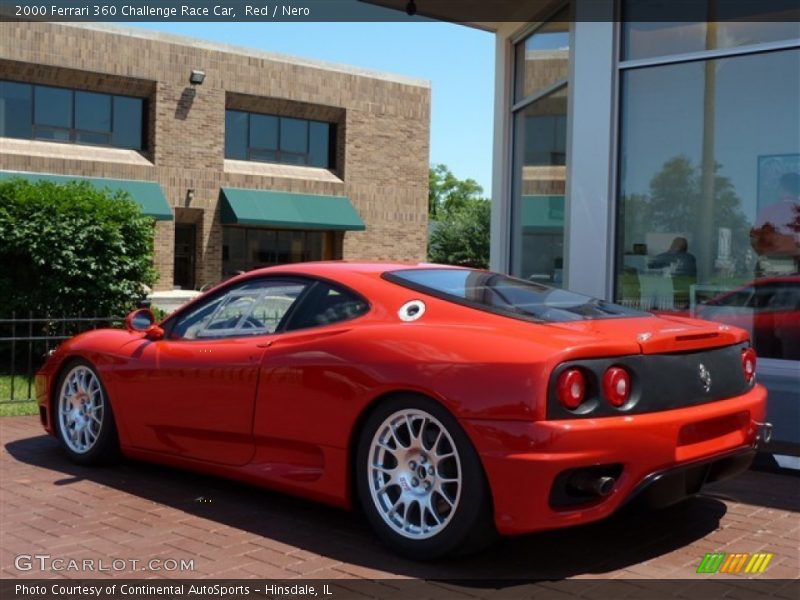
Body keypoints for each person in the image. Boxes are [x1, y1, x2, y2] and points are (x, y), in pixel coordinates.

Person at [648, 237, 697, 309]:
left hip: (667, 292)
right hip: (686, 293)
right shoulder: (691, 258)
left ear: (672, 245)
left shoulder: (663, 257)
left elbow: (650, 266)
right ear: (686, 247)